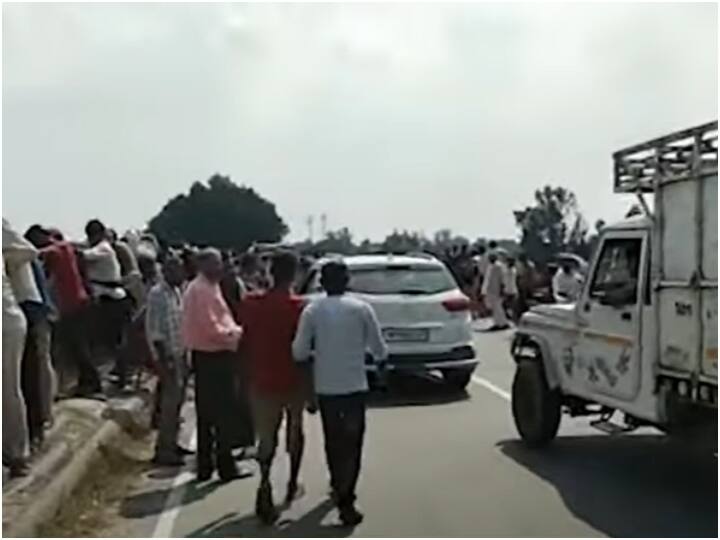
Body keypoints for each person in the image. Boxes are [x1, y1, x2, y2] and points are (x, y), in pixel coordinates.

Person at [292, 260, 388, 527]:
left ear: (322, 283)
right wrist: (381, 368)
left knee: (333, 443)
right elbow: (379, 348)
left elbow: (299, 351)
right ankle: (348, 496)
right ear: (347, 282)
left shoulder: (312, 310)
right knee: (353, 444)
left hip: (327, 388)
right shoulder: (361, 309)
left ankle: (338, 486)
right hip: (355, 386)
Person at [237, 251, 307, 524]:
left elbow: (243, 342)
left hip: (261, 378)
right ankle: (291, 481)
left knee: (266, 438)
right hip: (293, 379)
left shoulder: (252, 304)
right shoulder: (299, 307)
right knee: (295, 431)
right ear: (294, 274)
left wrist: (244, 376)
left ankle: (265, 483)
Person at [181, 248, 246, 482]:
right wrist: (237, 335)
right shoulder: (201, 290)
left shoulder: (208, 286)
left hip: (210, 354)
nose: (222, 268)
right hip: (214, 355)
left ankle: (206, 466)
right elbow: (212, 327)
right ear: (205, 265)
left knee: (208, 413)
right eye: (217, 264)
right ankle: (224, 466)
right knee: (222, 413)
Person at [26, 225, 100, 397]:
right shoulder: (66, 247)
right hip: (76, 300)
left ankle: (92, 383)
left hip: (70, 303)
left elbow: (41, 257)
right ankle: (85, 382)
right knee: (77, 346)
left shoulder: (55, 250)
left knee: (76, 346)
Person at [146, 254, 190, 466]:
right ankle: (164, 450)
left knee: (177, 404)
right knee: (169, 405)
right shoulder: (157, 294)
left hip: (179, 353)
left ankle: (173, 443)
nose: (180, 273)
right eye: (175, 269)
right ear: (165, 271)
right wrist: (164, 361)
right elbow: (155, 331)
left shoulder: (176, 293)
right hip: (168, 356)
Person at [2, 219, 36, 477]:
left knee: (7, 389)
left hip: (6, 321)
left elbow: (29, 250)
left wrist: (9, 259)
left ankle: (17, 455)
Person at [83, 219, 131, 387]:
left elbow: (85, 256)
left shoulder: (103, 248)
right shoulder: (102, 247)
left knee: (115, 342)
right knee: (112, 342)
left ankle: (123, 375)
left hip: (111, 299)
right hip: (107, 297)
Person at [481, 251, 510, 331]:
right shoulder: (490, 266)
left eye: (492, 257)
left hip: (497, 290)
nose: (490, 259)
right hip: (491, 290)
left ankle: (503, 323)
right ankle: (497, 323)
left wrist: (502, 289)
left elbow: (503, 279)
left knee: (498, 308)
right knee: (494, 308)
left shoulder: (499, 266)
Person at [503, 256, 520, 323]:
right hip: (508, 290)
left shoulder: (513, 270)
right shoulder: (508, 269)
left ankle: (515, 320)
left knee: (513, 307)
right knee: (505, 306)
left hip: (512, 290)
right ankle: (511, 319)